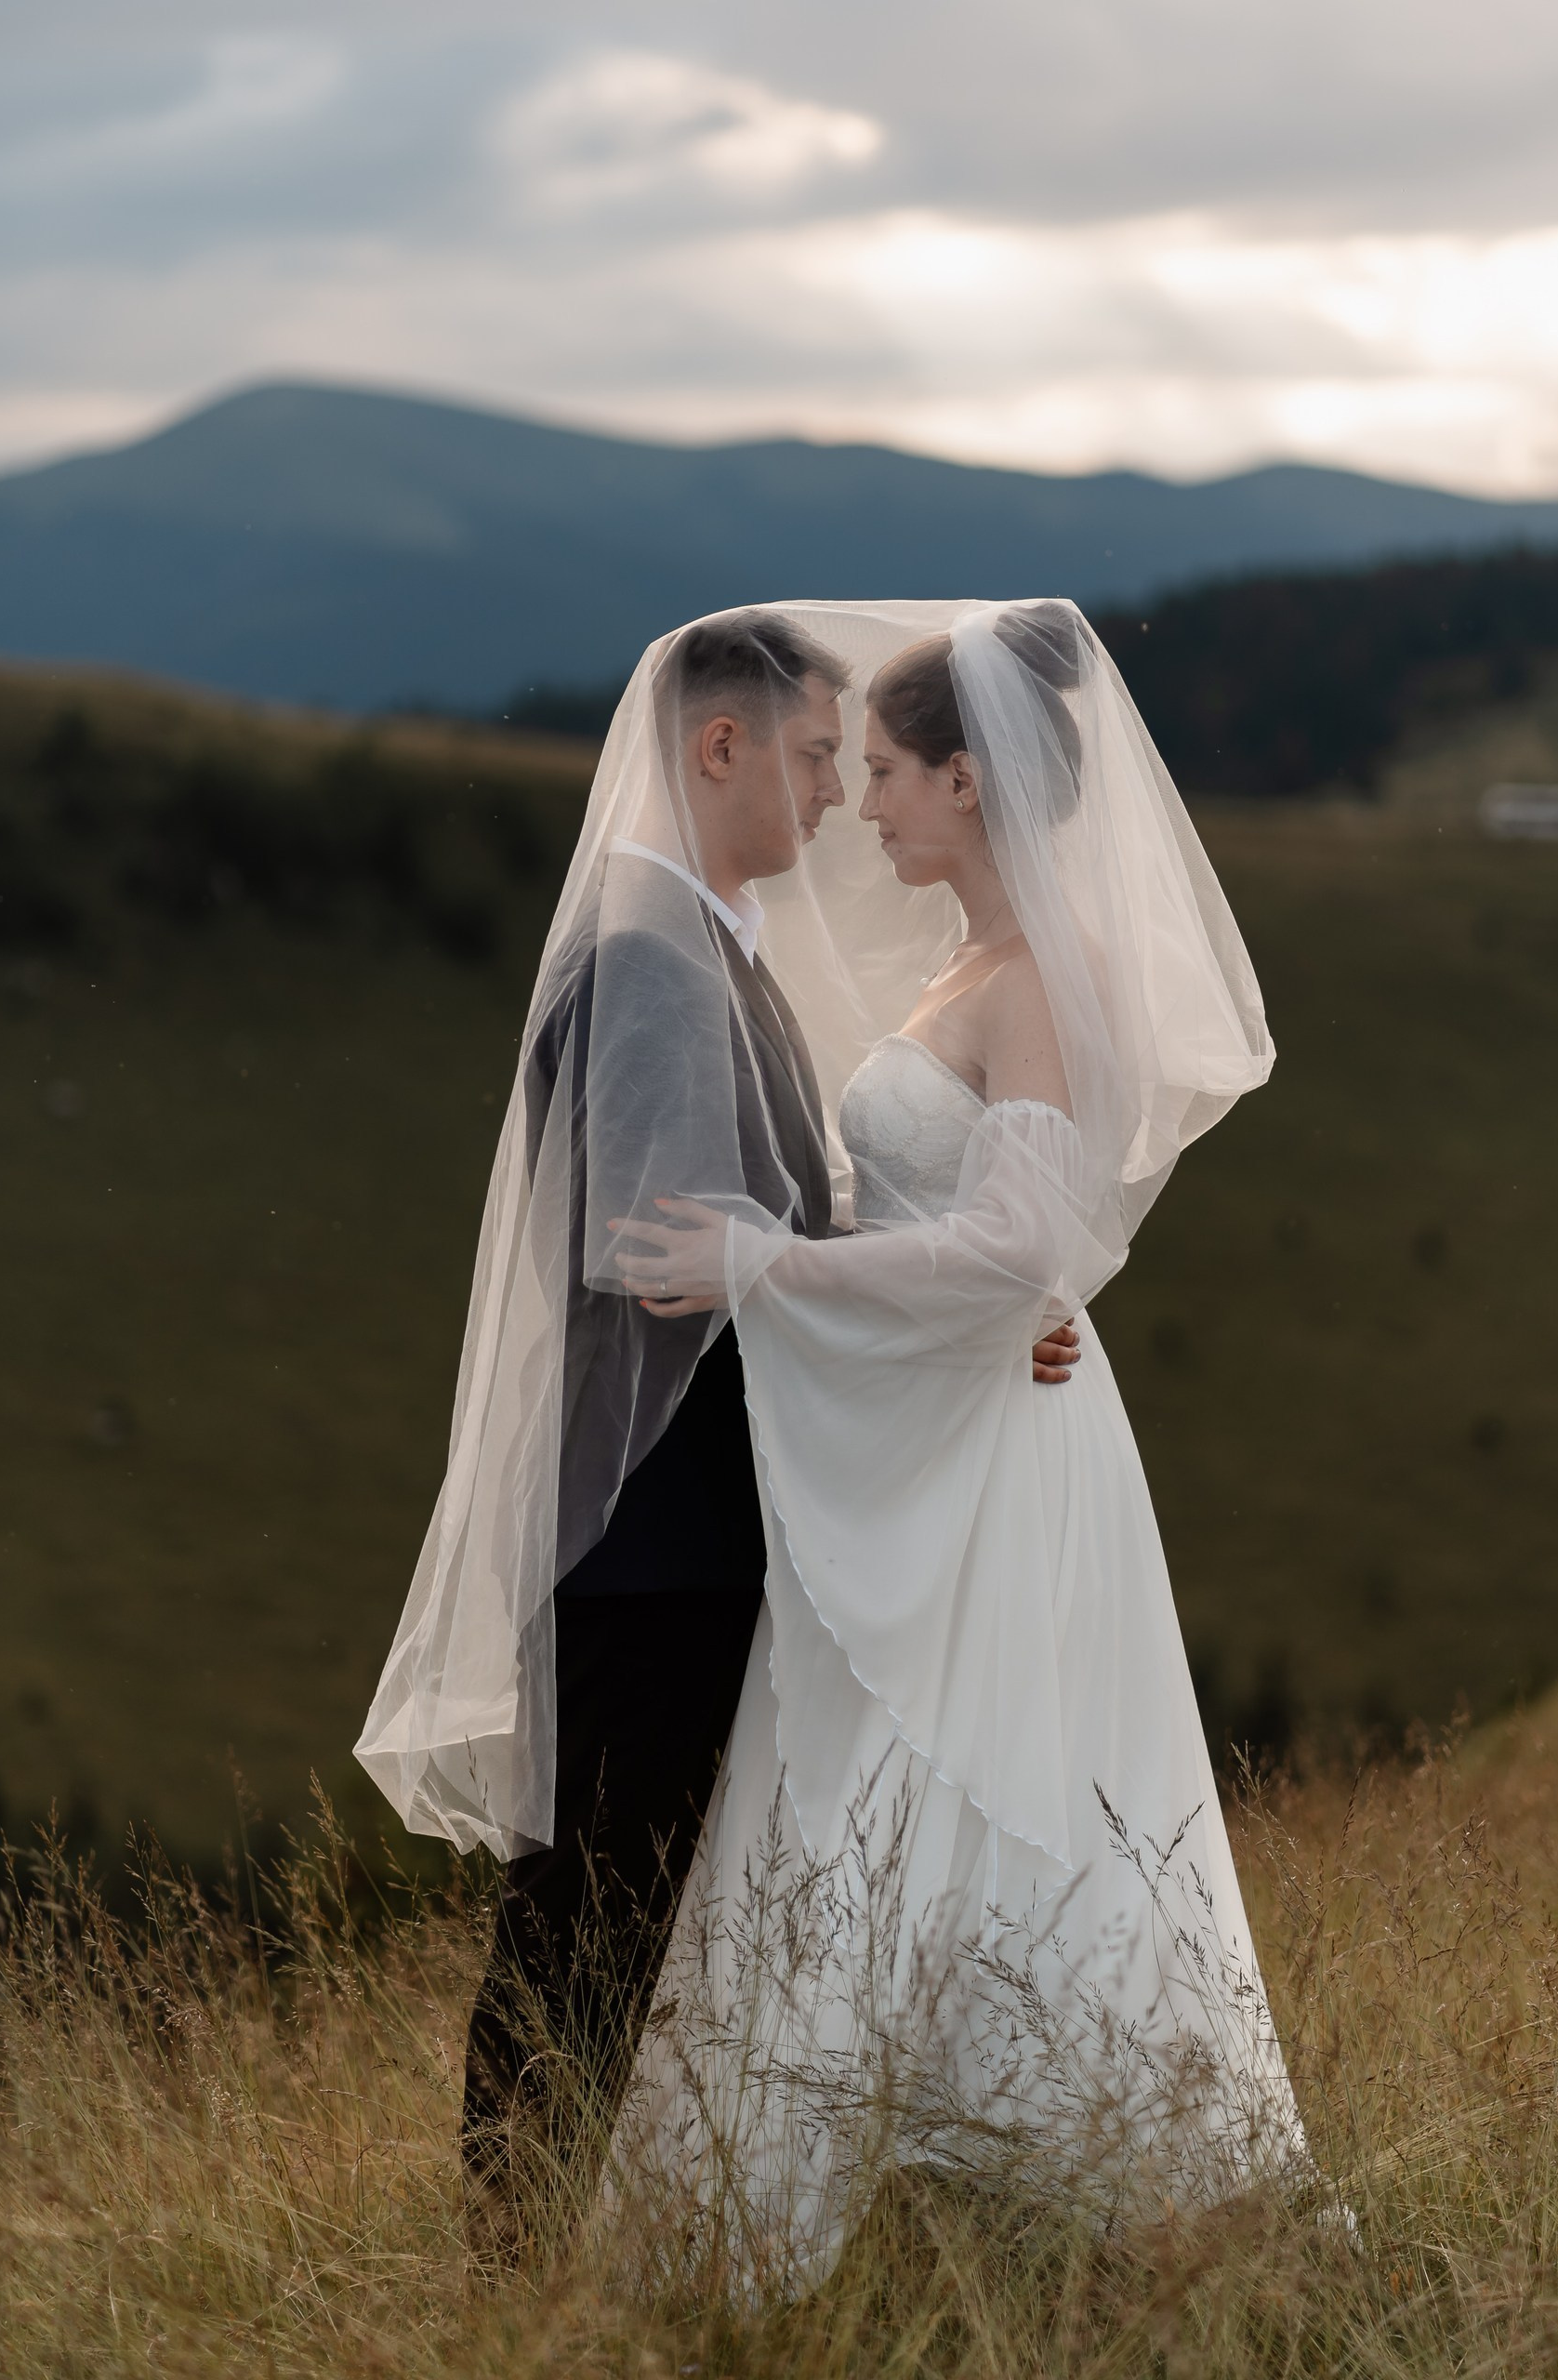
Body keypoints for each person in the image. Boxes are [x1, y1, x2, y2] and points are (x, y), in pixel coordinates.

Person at [353, 609, 1077, 2248]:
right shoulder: (655, 953)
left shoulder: (702, 938)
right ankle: (511, 2250)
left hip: (690, 1520)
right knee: (592, 1915)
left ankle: (544, 2235)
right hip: (653, 1521)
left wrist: (968, 1315)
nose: (834, 795)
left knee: (620, 1908)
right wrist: (942, 1303)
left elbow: (752, 1240)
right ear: (718, 747)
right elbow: (671, 1252)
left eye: (854, 764)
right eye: (818, 756)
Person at [605, 601, 1306, 2281]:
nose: (865, 801)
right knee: (881, 1786)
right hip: (946, 1433)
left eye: (894, 772)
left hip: (1002, 1456)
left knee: (982, 1787)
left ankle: (1045, 2186)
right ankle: (891, 2202)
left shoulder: (1048, 979)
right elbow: (983, 1224)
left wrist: (765, 1266)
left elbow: (1024, 1252)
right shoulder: (968, 969)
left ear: (974, 784)